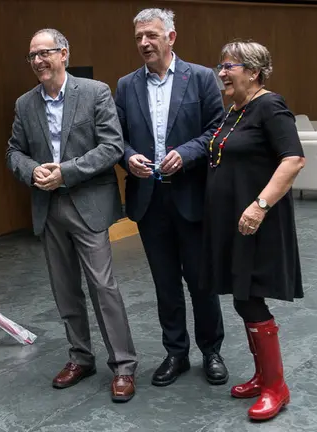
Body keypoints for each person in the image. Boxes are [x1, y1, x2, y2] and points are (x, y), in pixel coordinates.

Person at [6, 28, 138, 403]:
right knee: (65, 289)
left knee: (103, 286)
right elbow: (13, 151)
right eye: (32, 56)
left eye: (44, 53)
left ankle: (124, 365)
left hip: (87, 204)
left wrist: (67, 171)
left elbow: (112, 146)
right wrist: (31, 170)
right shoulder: (24, 104)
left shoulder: (94, 92)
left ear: (64, 53)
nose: (38, 61)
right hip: (48, 207)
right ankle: (80, 357)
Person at [114, 8, 228, 387]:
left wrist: (190, 152)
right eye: (138, 37)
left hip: (192, 197)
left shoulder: (201, 78)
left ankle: (211, 351)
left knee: (201, 281)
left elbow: (217, 129)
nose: (144, 43)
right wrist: (129, 157)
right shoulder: (126, 85)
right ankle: (175, 353)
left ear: (171, 37)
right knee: (164, 282)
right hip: (150, 201)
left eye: (151, 35)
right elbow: (116, 138)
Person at [203, 40, 306, 421]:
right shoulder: (235, 111)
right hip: (231, 224)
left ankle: (277, 387)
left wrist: (260, 205)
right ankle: (262, 376)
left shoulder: (270, 106)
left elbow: (293, 160)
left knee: (250, 299)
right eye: (221, 65)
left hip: (255, 223)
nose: (222, 72)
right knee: (241, 297)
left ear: (254, 72)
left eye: (230, 66)